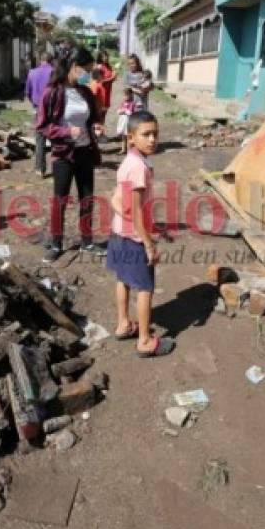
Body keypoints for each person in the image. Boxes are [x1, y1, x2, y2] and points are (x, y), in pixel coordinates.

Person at [107, 110, 174, 356]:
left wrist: (129, 220)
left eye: (155, 134)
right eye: (146, 134)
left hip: (118, 234)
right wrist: (148, 243)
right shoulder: (139, 169)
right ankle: (145, 341)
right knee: (145, 288)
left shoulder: (128, 162)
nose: (153, 139)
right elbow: (135, 211)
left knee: (122, 279)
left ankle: (124, 324)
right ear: (131, 137)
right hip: (135, 239)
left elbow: (116, 200)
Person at [36, 47, 104, 263]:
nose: (88, 74)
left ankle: (87, 241)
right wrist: (66, 132)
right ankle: (56, 244)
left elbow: (93, 118)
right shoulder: (52, 92)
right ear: (74, 67)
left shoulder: (85, 92)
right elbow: (42, 126)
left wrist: (96, 127)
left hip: (85, 152)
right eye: (86, 69)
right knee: (60, 201)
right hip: (64, 155)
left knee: (87, 199)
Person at [25, 51, 54, 177]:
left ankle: (39, 169)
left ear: (40, 60)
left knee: (40, 139)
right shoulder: (54, 72)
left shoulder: (32, 72)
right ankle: (58, 167)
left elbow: (28, 92)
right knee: (56, 139)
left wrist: (35, 104)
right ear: (51, 60)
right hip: (54, 109)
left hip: (38, 110)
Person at [88, 67, 109, 142]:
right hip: (96, 109)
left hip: (97, 108)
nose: (103, 76)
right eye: (101, 75)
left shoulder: (95, 83)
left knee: (96, 124)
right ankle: (97, 138)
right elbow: (93, 96)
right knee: (97, 124)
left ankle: (96, 139)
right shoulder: (95, 85)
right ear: (98, 75)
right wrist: (97, 108)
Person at [115, 88, 138, 154]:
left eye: (126, 95)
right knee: (123, 136)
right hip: (122, 121)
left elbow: (130, 112)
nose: (125, 97)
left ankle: (129, 150)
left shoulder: (132, 103)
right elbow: (119, 111)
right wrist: (122, 111)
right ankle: (123, 149)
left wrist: (124, 110)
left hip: (128, 121)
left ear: (131, 95)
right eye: (124, 95)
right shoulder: (123, 102)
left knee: (128, 136)